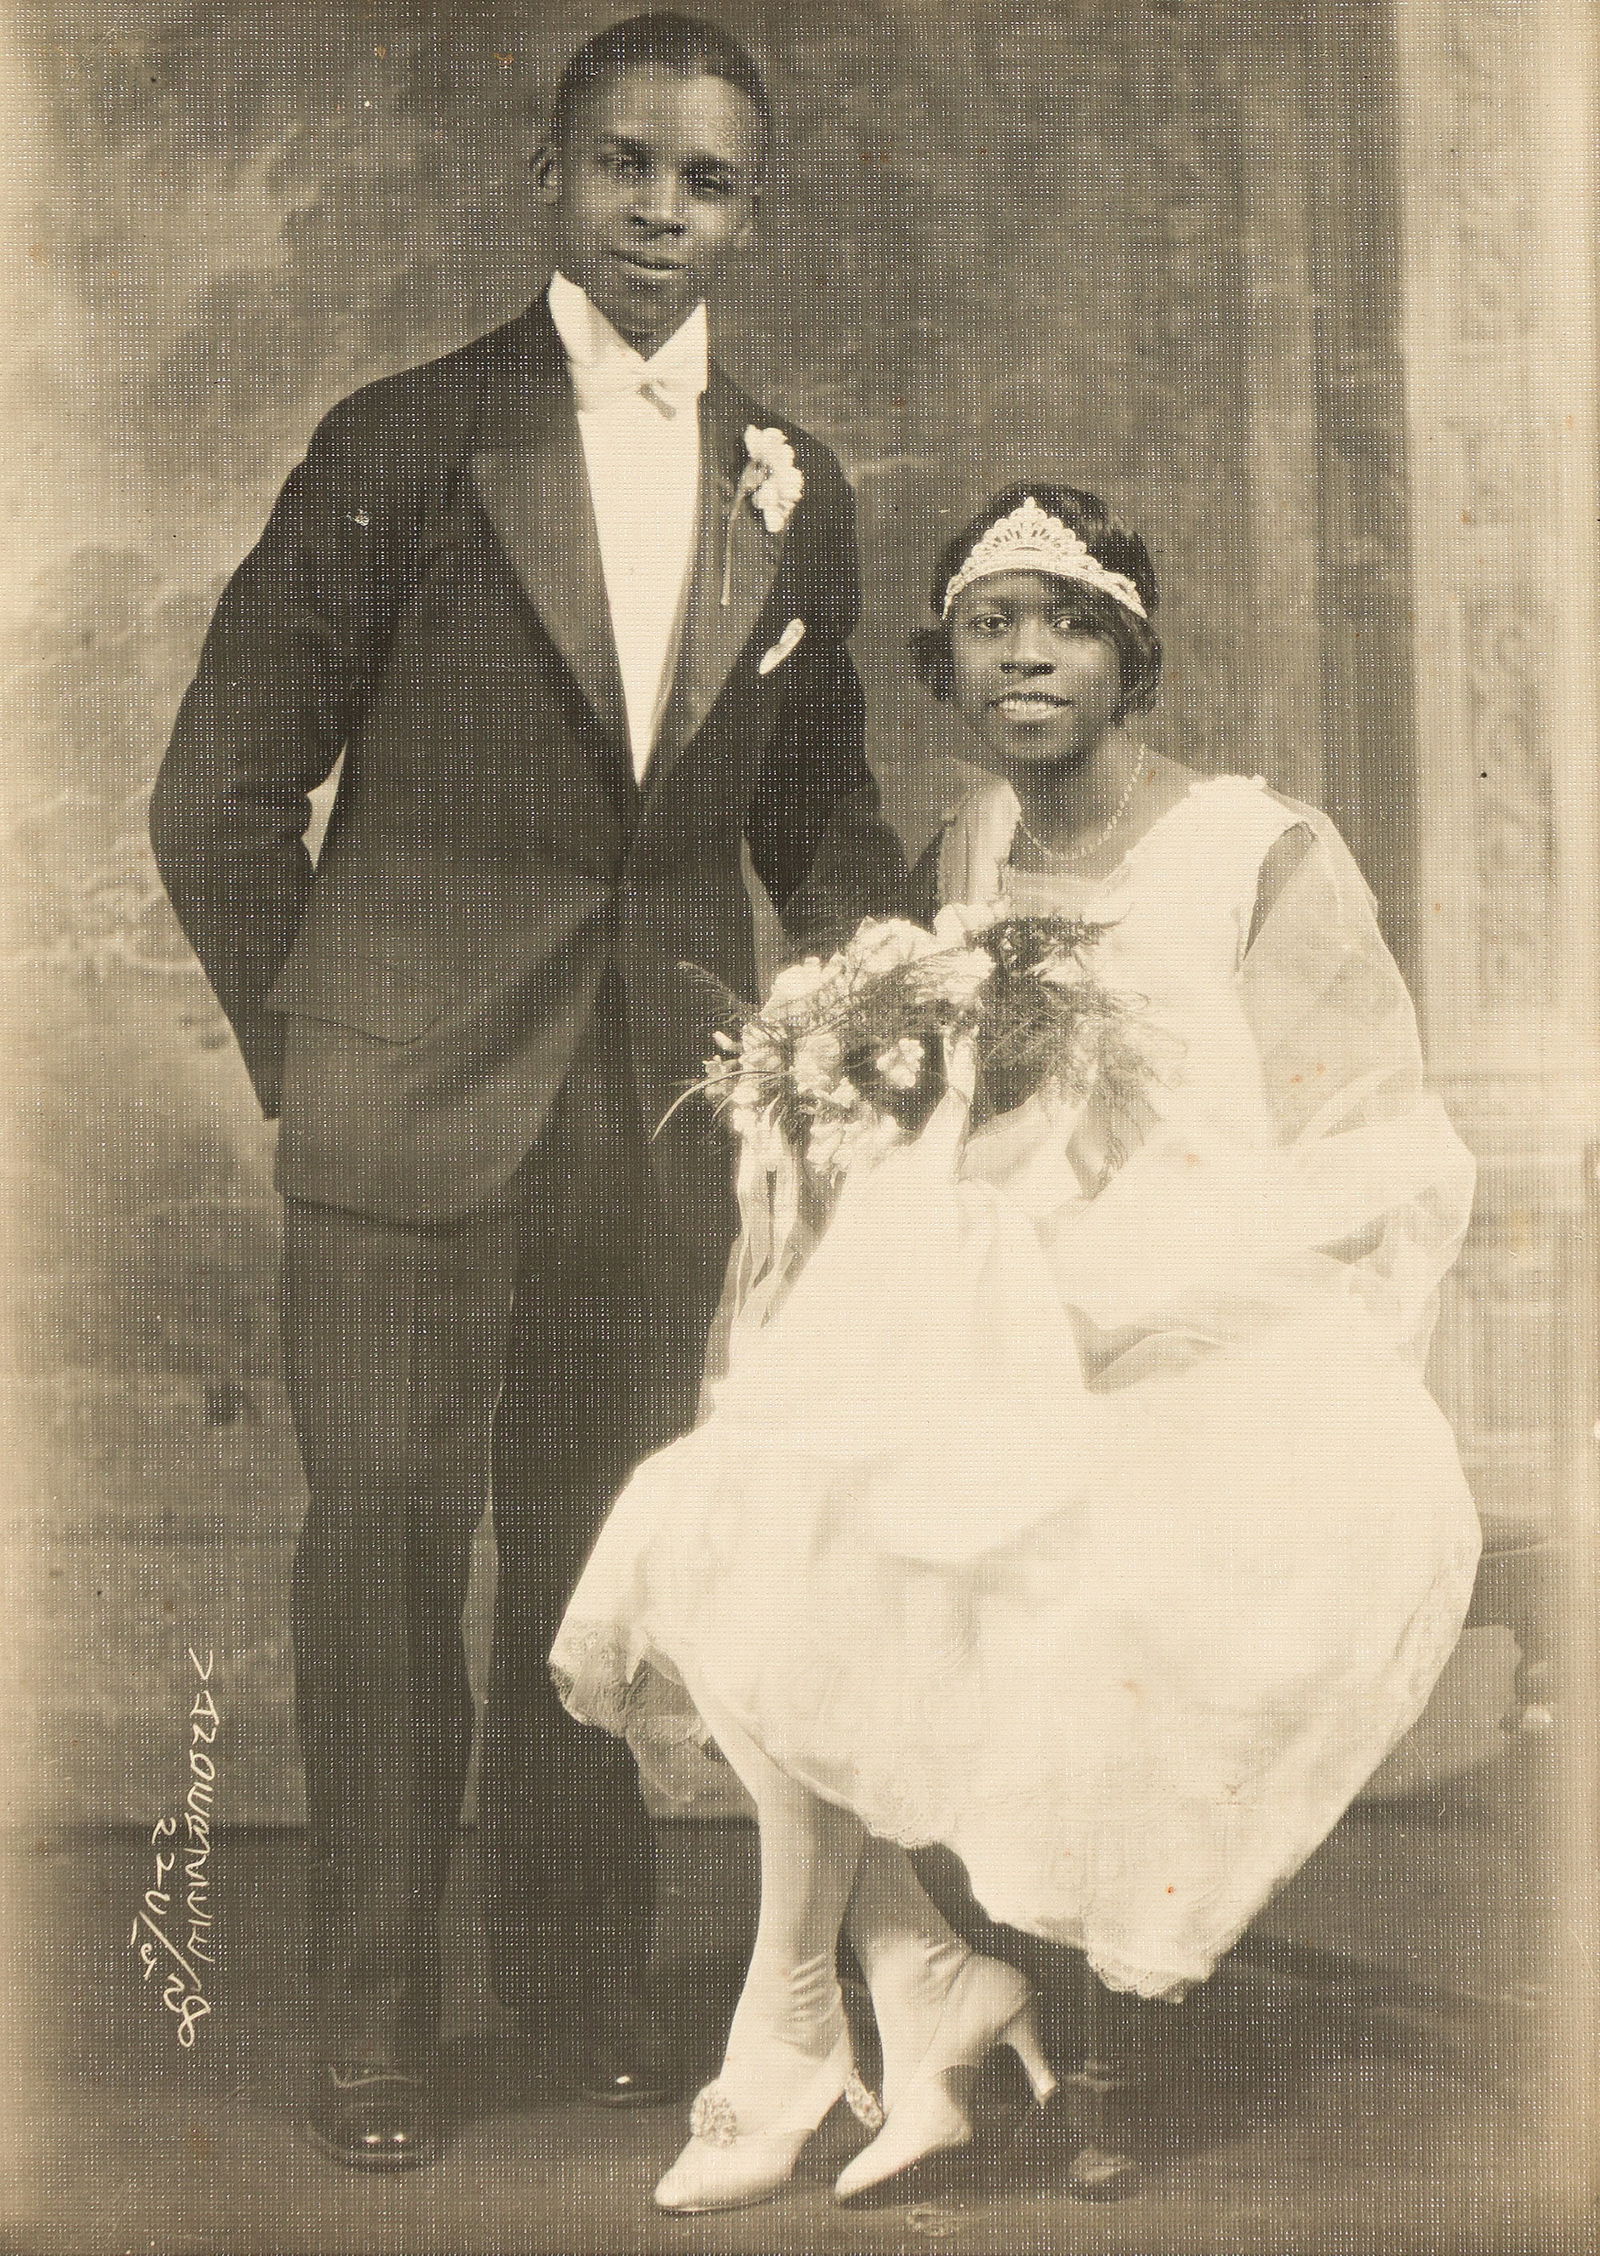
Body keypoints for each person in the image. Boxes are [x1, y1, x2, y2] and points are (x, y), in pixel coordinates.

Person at [149, 11, 907, 2170]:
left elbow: (818, 817)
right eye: (625, 167)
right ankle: (376, 2022)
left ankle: (578, 1985)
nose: (661, 213)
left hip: (658, 1116)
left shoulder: (793, 481)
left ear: (751, 212)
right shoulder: (403, 439)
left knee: (600, 1559)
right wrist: (324, 1054)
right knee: (387, 1553)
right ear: (547, 178)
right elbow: (219, 794)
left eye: (708, 182)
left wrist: (901, 999)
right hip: (400, 1115)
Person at [551, 483, 1481, 2212]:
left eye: (1069, 625)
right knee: (735, 1500)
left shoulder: (1256, 849)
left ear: (1131, 659)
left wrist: (1119, 1294)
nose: (1029, 657)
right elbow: (933, 1132)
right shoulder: (964, 853)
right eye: (992, 627)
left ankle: (816, 2010)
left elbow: (1369, 1154)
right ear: (949, 665)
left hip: (1229, 1342)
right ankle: (901, 1968)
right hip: (998, 1322)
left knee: (990, 1541)